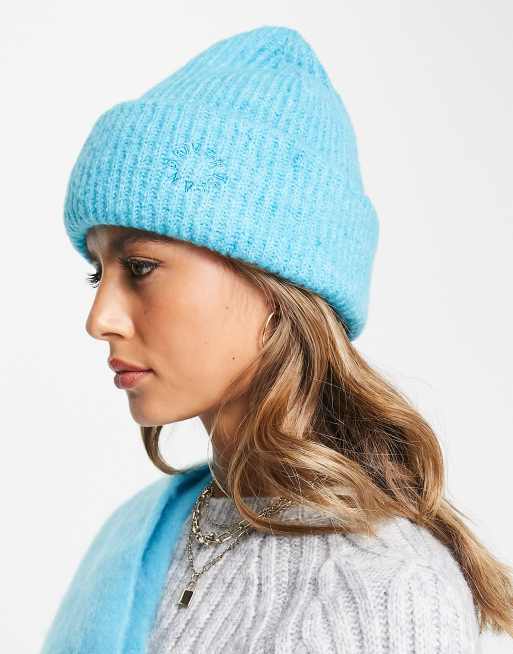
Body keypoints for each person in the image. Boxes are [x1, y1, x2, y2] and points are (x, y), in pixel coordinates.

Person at [41, 24, 512, 654]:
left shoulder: (385, 592)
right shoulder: (136, 539)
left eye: (141, 267)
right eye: (97, 273)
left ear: (275, 285)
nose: (100, 318)